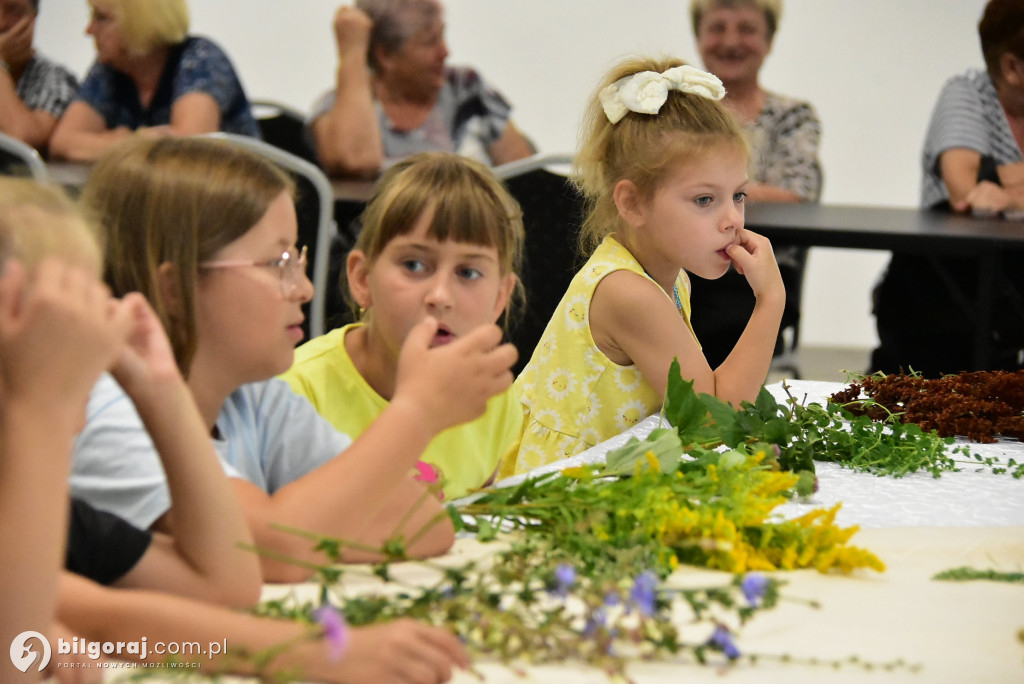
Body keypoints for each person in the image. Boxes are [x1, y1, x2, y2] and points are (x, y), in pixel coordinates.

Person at [0, 179, 468, 684]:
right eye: (68, 332)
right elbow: (67, 630)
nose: (306, 288)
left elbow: (227, 580)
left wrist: (162, 394)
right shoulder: (61, 427)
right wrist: (309, 654)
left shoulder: (245, 395)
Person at [71, 136, 517, 583]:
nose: (304, 289)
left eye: (296, 259)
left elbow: (422, 524)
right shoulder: (108, 411)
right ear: (177, 287)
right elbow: (267, 550)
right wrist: (417, 413)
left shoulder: (253, 398)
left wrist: (298, 530)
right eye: (276, 262)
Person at [505, 57, 785, 477]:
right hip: (560, 479)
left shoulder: (672, 279)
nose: (732, 219)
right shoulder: (628, 292)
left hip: (614, 464)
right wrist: (770, 301)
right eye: (705, 200)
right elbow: (710, 421)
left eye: (738, 196)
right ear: (633, 203)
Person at [282, 152, 523, 501]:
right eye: (413, 264)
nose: (440, 296)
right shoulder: (296, 396)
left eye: (468, 273)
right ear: (363, 279)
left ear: (500, 298)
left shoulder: (491, 396)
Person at [871, 0, 1024, 377]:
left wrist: (1009, 190)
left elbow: (995, 192)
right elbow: (966, 193)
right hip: (948, 290)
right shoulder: (967, 92)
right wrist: (997, 190)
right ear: (1012, 67)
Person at [685, 0, 822, 369]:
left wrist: (698, 193)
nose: (731, 41)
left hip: (753, 270)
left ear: (769, 40)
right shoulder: (676, 111)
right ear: (699, 36)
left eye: (746, 29)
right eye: (717, 28)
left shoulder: (793, 116)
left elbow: (794, 194)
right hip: (680, 265)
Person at [310, 0, 535, 178]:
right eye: (430, 42)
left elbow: (525, 177)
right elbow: (355, 160)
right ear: (385, 55)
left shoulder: (466, 88)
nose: (445, 52)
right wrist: (352, 54)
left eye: (442, 36)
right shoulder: (340, 108)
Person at [48, 0, 259, 162]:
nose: (89, 30)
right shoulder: (110, 68)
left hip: (240, 206)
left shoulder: (200, 59)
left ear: (141, 23)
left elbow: (186, 153)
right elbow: (63, 143)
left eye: (101, 18)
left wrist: (106, 143)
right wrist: (135, 141)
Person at [0, 0, 79, 152]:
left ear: (33, 18)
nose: (1, 22)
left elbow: (20, 140)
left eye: (14, 10)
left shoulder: (56, 80)